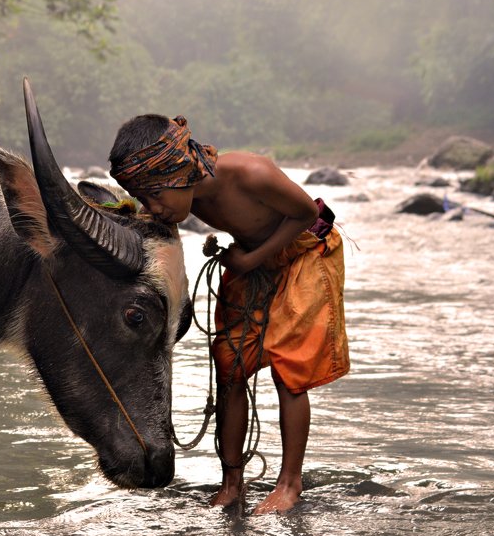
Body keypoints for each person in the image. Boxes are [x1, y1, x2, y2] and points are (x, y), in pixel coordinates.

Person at [107, 114, 349, 514]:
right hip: (251, 260)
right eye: (144, 198)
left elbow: (307, 212)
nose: (152, 208)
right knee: (230, 365)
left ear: (179, 171)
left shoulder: (250, 173)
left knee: (289, 369)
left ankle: (289, 483)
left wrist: (252, 257)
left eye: (154, 196)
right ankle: (232, 482)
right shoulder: (183, 192)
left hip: (305, 252)